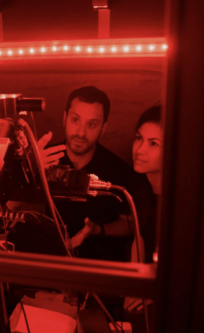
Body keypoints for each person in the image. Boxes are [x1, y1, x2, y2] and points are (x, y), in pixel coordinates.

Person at [36, 86, 134, 261]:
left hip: (99, 266)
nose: (81, 133)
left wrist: (98, 230)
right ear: (65, 118)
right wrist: (31, 170)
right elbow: (11, 208)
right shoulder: (44, 158)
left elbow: (130, 224)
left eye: (91, 124)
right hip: (48, 264)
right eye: (75, 120)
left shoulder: (118, 170)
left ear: (103, 128)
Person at [69, 104, 162, 264]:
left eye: (153, 143)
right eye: (139, 138)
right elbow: (138, 242)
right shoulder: (142, 189)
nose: (140, 150)